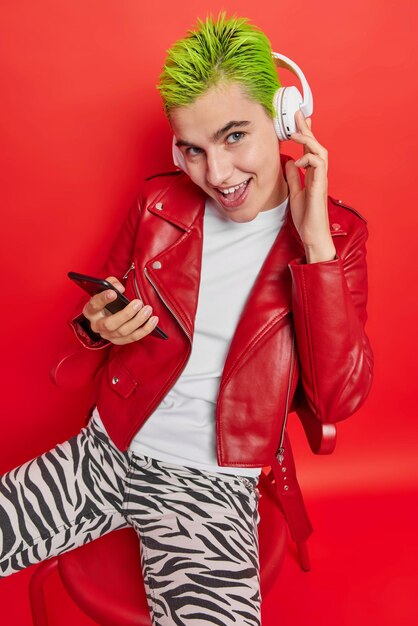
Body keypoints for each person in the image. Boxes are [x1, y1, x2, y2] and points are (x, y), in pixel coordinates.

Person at [0, 13, 373, 626]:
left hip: (209, 483)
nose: (217, 175)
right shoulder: (157, 202)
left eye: (234, 137)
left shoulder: (338, 235)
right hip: (105, 452)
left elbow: (335, 400)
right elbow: (100, 309)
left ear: (286, 118)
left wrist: (315, 253)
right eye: (193, 150)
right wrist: (97, 325)